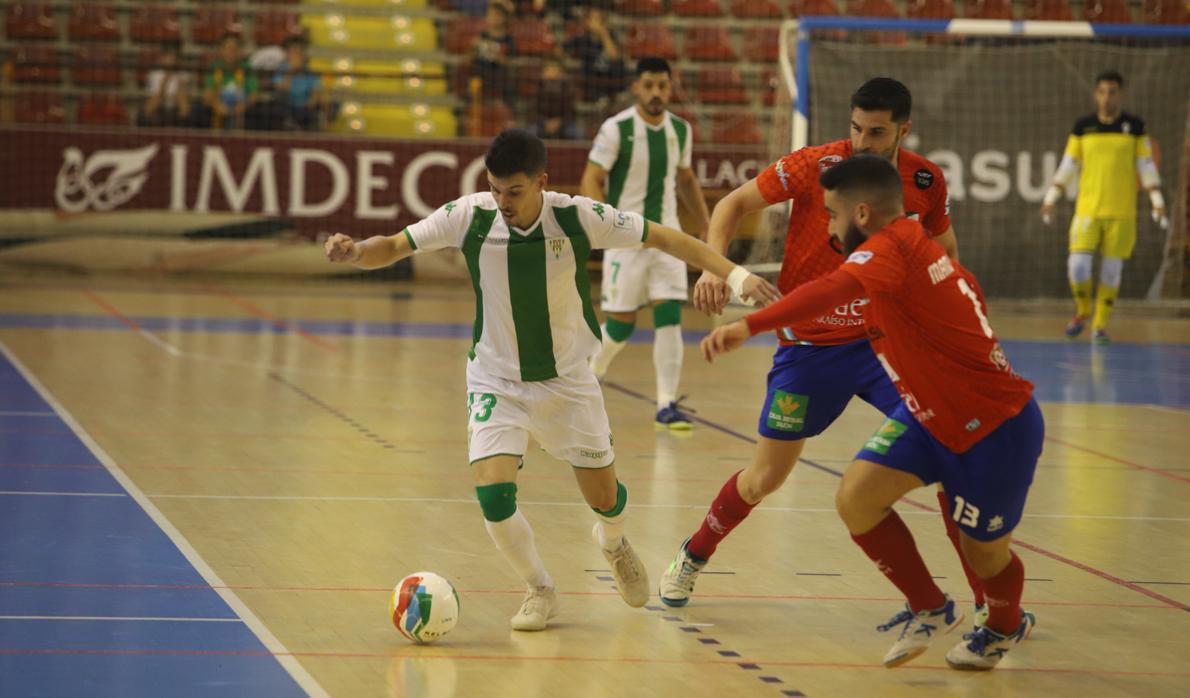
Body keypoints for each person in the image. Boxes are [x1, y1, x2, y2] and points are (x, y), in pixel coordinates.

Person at [324, 129, 779, 631]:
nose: (502, 202)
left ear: (541, 182)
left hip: (567, 383)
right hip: (495, 380)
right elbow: (393, 245)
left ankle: (612, 542)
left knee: (605, 499)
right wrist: (356, 252)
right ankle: (540, 588)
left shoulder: (578, 216)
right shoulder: (469, 215)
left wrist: (734, 276)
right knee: (494, 499)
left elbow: (667, 238)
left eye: (514, 192)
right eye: (495, 189)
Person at [656, 79, 983, 621]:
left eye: (876, 132)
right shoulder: (816, 165)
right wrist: (721, 271)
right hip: (808, 350)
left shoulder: (924, 180)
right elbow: (733, 204)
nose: (862, 142)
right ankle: (694, 553)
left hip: (885, 347)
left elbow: (945, 251)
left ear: (904, 129)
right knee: (764, 478)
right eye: (856, 128)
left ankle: (988, 607)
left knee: (953, 455)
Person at [702, 154, 1043, 671]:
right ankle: (929, 607)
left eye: (833, 216)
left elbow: (829, 289)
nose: (829, 227)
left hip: (992, 427)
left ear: (861, 214)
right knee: (856, 497)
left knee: (985, 555)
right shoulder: (911, 247)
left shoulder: (890, 249)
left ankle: (1002, 625)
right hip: (929, 416)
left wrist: (746, 326)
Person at [582, 57, 710, 429]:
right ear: (637, 87)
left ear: (670, 89)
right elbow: (592, 177)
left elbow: (685, 180)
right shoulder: (616, 129)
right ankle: (591, 377)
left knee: (670, 315)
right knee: (621, 324)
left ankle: (666, 404)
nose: (656, 92)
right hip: (626, 238)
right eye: (649, 85)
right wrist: (601, 220)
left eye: (662, 86)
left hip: (668, 238)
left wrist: (704, 224)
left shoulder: (680, 131)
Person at [1041, 69, 1167, 345]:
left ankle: (1099, 325)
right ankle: (1083, 309)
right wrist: (1051, 197)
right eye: (1102, 92)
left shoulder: (1134, 127)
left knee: (1111, 271)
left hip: (1122, 214)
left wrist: (1157, 200)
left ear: (1120, 95)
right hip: (1088, 210)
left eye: (1112, 92)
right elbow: (1069, 165)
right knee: (1078, 267)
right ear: (1095, 94)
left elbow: (1145, 166)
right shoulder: (1083, 127)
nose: (1106, 98)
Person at [563, 3, 626, 103]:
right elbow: (562, 50)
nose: (597, 22)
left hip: (611, 82)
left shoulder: (612, 35)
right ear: (587, 22)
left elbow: (614, 57)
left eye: (600, 19)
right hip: (591, 83)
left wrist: (603, 34)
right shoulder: (582, 38)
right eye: (594, 19)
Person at [201, 32, 258, 130]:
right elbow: (207, 94)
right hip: (220, 107)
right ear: (221, 50)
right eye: (227, 49)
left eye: (234, 49)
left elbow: (254, 95)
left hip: (240, 108)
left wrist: (243, 105)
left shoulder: (246, 68)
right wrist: (217, 105)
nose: (231, 53)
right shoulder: (215, 67)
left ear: (239, 51)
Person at [273, 36, 325, 131]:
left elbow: (316, 90)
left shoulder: (308, 71)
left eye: (299, 53)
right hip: (287, 107)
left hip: (304, 107)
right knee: (280, 99)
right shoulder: (281, 70)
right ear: (287, 54)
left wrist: (310, 103)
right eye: (294, 52)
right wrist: (291, 72)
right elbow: (282, 88)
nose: (297, 56)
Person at [470, 1, 517, 107]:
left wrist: (496, 56)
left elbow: (511, 63)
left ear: (504, 18)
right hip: (480, 74)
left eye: (497, 15)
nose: (493, 18)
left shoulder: (508, 40)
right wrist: (473, 48)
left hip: (498, 76)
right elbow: (470, 58)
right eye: (490, 14)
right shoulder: (482, 36)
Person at [139, 41, 191, 128]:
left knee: (182, 96)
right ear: (162, 58)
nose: (171, 61)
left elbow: (185, 98)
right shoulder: (154, 75)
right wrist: (164, 83)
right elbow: (153, 98)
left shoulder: (183, 75)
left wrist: (181, 86)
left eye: (174, 58)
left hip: (175, 106)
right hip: (159, 104)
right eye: (168, 57)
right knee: (152, 102)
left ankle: (182, 128)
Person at [529, 57, 578, 141]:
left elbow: (571, 112)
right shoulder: (536, 89)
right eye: (548, 68)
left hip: (563, 124)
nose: (552, 71)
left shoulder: (568, 89)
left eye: (555, 68)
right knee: (531, 132)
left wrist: (559, 121)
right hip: (541, 123)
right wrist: (545, 122)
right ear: (543, 73)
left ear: (561, 73)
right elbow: (532, 111)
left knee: (575, 133)